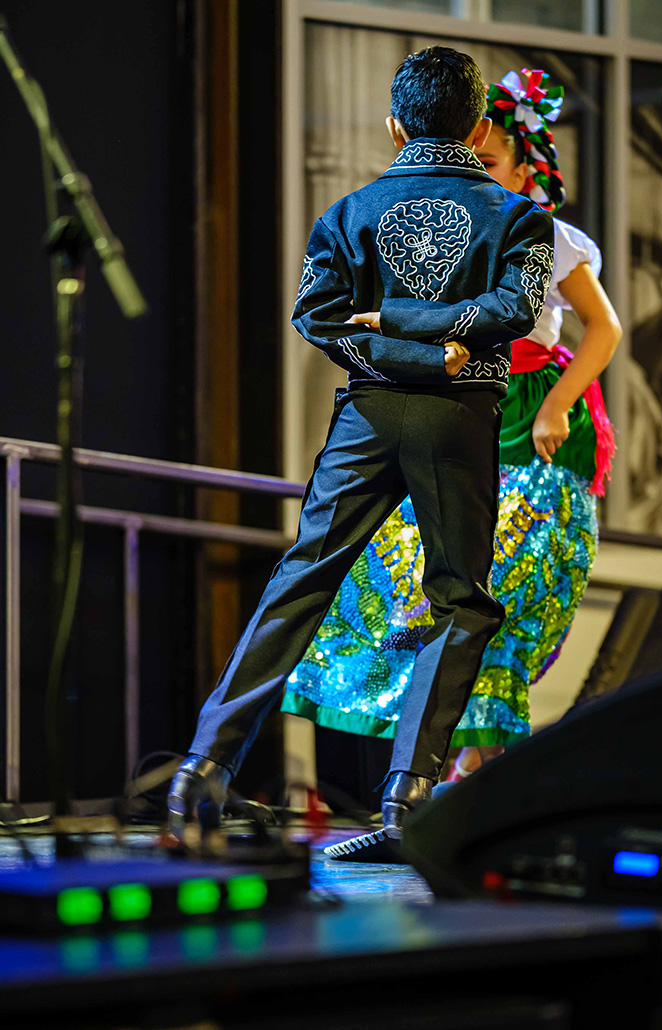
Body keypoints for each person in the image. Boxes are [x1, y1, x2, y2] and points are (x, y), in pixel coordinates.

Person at [167, 49, 555, 843]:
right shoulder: (521, 218)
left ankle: (200, 768)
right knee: (460, 600)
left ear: (394, 124)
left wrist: (398, 327)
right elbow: (513, 311)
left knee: (301, 580)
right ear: (480, 125)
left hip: (368, 416)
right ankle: (406, 797)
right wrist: (438, 350)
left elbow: (319, 318)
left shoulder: (347, 213)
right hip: (457, 418)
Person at [280, 70, 621, 858]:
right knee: (403, 588)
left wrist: (558, 402)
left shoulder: (542, 233)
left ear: (522, 166)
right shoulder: (438, 218)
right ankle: (427, 788)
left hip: (526, 416)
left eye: (495, 161)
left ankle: (466, 797)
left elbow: (601, 332)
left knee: (494, 604)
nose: (480, 171)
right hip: (451, 404)